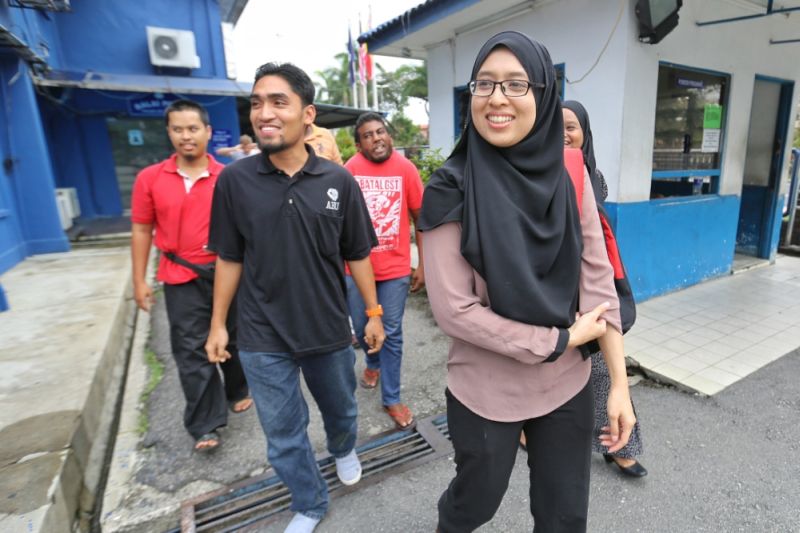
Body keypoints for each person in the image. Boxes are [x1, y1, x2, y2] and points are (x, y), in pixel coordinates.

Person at [418, 31, 636, 532]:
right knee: (476, 504)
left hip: (567, 386)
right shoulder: (449, 187)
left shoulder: (570, 174)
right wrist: (558, 340)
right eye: (485, 84)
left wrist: (620, 386)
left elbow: (598, 284)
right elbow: (455, 310)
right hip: (485, 389)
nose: (497, 98)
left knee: (564, 515)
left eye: (517, 84)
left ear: (543, 95)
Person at [205, 62, 385, 533]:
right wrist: (218, 324)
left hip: (326, 327)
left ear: (308, 115)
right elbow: (228, 257)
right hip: (262, 334)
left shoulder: (338, 181)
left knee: (342, 411)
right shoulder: (234, 181)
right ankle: (309, 501)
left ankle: (344, 449)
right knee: (283, 436)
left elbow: (358, 254)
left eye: (277, 102)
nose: (263, 112)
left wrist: (373, 313)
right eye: (256, 103)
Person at [130, 99, 251, 453]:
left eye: (193, 129)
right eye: (178, 129)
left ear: (208, 133)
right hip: (179, 275)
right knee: (190, 350)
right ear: (169, 133)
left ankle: (237, 389)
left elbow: (247, 230)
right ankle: (205, 423)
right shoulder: (150, 179)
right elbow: (141, 230)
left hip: (227, 272)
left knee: (235, 339)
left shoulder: (229, 176)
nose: (186, 136)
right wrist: (140, 280)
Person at [563, 99, 647, 477]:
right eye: (556, 126)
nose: (563, 134)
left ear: (585, 133)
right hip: (556, 288)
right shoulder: (539, 173)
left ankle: (620, 445)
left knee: (603, 371)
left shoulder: (594, 178)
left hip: (592, 286)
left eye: (571, 127)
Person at [344, 112, 425, 430]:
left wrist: (425, 264)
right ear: (358, 143)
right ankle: (373, 362)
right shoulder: (349, 171)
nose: (376, 138)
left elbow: (421, 219)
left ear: (389, 136)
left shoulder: (406, 169)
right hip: (355, 269)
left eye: (380, 132)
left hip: (395, 269)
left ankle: (391, 398)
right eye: (368, 135)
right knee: (364, 326)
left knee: (390, 332)